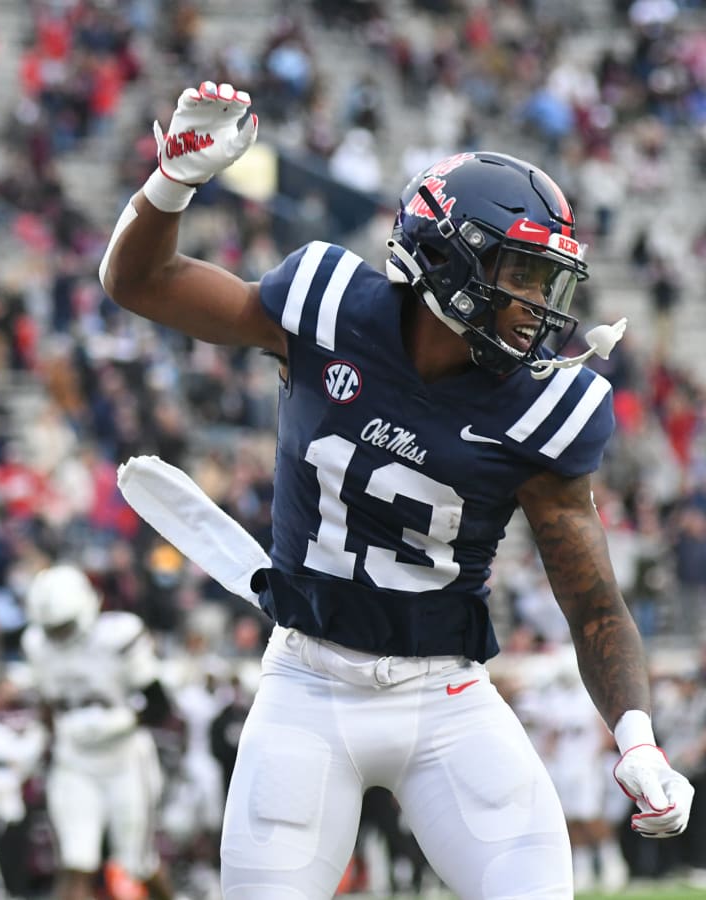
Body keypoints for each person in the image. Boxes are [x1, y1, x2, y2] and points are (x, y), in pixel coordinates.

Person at [99, 80, 694, 897]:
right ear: (446, 257)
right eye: (518, 273)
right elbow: (140, 283)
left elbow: (593, 602)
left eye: (547, 280)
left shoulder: (544, 407)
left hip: (446, 695)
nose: (536, 307)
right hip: (307, 681)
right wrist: (171, 184)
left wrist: (636, 740)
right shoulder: (328, 308)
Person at [21, 563, 177, 900]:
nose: (58, 636)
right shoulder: (36, 644)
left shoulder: (119, 635)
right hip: (74, 759)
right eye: (52, 628)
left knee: (139, 862)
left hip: (125, 760)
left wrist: (120, 721)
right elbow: (47, 705)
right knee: (76, 860)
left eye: (64, 626)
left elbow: (160, 706)